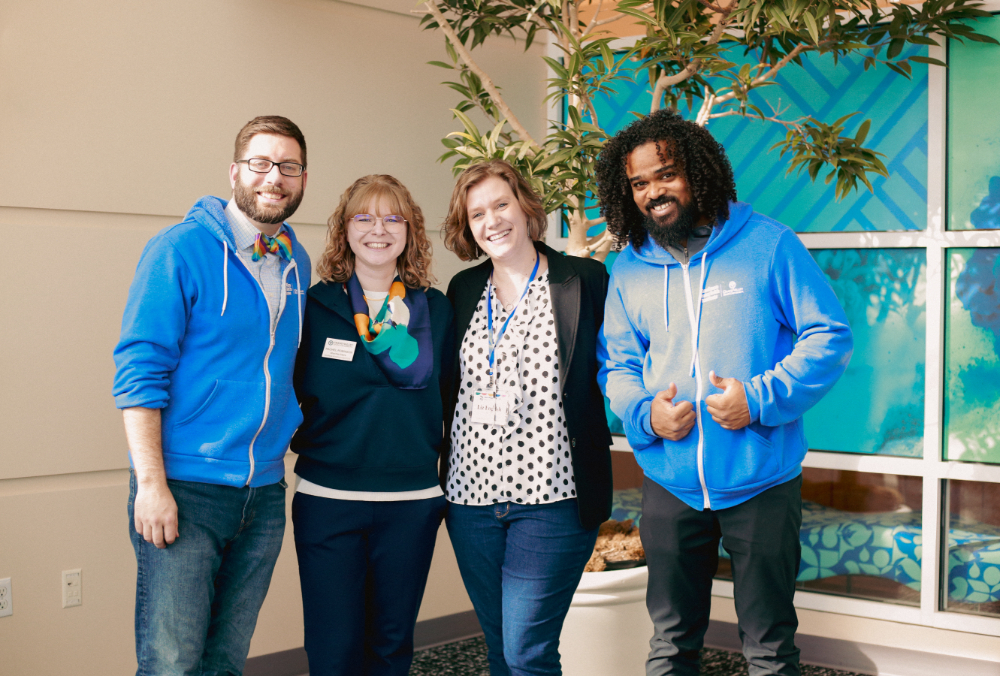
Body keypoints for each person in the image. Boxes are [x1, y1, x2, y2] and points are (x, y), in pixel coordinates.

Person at [595, 109, 854, 676]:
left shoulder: (768, 244)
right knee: (670, 641)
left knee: (767, 645)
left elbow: (828, 334)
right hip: (670, 483)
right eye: (639, 184)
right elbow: (616, 363)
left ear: (698, 171)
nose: (653, 192)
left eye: (665, 174)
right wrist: (646, 416)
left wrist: (758, 399)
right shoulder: (629, 270)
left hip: (760, 479)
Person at [112, 115, 311, 675]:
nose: (274, 177)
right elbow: (139, 370)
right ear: (235, 172)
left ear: (301, 179)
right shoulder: (180, 249)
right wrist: (150, 485)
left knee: (225, 662)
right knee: (171, 662)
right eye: (261, 164)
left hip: (264, 492)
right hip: (186, 490)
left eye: (289, 167)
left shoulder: (295, 259)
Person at [441, 159, 613, 676]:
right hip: (470, 499)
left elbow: (624, 359)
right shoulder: (463, 290)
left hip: (552, 498)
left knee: (527, 652)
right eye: (477, 214)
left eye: (501, 204)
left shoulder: (582, 279)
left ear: (525, 208)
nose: (491, 221)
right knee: (499, 650)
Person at [290, 175, 452, 676]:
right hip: (328, 502)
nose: (377, 229)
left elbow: (456, 400)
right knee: (333, 651)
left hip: (411, 505)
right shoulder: (314, 306)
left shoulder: (437, 309)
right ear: (344, 229)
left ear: (410, 230)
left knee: (390, 649)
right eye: (364, 217)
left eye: (391, 218)